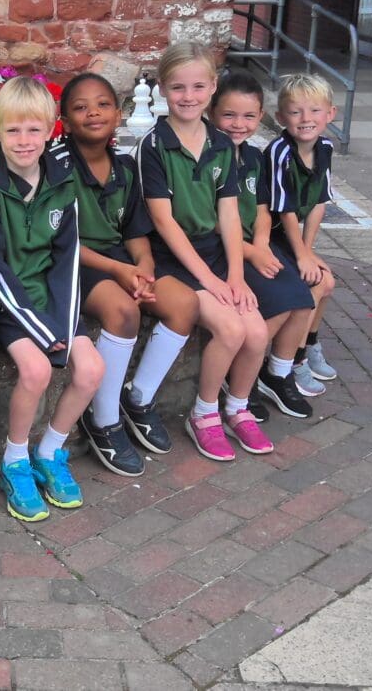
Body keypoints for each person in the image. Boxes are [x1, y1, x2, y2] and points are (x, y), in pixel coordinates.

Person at [137, 43, 280, 464]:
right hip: (174, 260)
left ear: (213, 88)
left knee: (256, 333)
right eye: (178, 87)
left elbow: (230, 214)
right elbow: (164, 224)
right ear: (162, 88)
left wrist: (234, 275)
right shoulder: (154, 146)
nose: (188, 95)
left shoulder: (220, 143)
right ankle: (204, 414)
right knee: (232, 331)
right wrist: (211, 282)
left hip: (215, 257)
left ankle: (236, 407)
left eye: (199, 86)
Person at [52, 73, 199, 477]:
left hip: (122, 261)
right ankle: (103, 418)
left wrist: (145, 270)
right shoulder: (56, 167)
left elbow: (136, 235)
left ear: (119, 113)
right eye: (80, 107)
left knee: (185, 303)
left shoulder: (124, 167)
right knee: (123, 312)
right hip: (76, 265)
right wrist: (122, 271)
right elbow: (61, 243)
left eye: (102, 104)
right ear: (64, 119)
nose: (93, 113)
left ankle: (140, 398)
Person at [0, 77, 105, 522]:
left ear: (51, 130)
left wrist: (63, 326)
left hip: (53, 300)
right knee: (34, 370)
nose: (24, 141)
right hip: (7, 303)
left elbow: (67, 260)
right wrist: (40, 330)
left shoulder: (62, 183)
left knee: (91, 368)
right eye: (13, 131)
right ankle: (15, 461)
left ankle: (50, 452)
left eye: (34, 130)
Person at [211, 70, 319, 420]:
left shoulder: (254, 158)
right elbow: (208, 223)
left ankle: (277, 372)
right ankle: (240, 374)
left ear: (261, 117)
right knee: (277, 303)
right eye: (228, 115)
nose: (238, 124)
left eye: (248, 116)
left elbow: (260, 210)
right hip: (223, 250)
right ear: (212, 113)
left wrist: (261, 244)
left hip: (252, 246)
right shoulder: (210, 156)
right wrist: (251, 252)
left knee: (303, 298)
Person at [265, 73, 341, 392]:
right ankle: (292, 361)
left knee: (327, 280)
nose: (306, 119)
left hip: (293, 237)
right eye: (296, 112)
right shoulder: (280, 152)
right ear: (281, 117)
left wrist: (308, 252)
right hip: (270, 235)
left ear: (330, 114)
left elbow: (318, 203)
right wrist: (301, 257)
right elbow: (285, 211)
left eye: (314, 111)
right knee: (311, 283)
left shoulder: (324, 147)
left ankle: (309, 344)